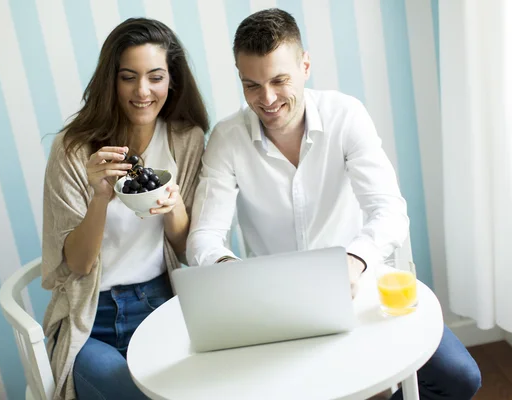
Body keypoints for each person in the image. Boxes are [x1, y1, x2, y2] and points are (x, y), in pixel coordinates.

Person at [186, 8, 481, 400]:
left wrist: (354, 260)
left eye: (279, 80)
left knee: (460, 378)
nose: (267, 98)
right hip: (276, 309)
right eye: (252, 85)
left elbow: (390, 211)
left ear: (305, 65)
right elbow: (203, 238)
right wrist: (233, 274)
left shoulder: (346, 115)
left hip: (362, 287)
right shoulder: (227, 138)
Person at [41, 18, 208, 400]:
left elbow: (185, 249)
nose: (143, 91)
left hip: (161, 303)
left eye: (155, 77)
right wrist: (99, 197)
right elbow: (79, 264)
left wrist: (173, 205)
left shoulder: (187, 140)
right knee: (129, 390)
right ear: (111, 81)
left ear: (172, 80)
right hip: (91, 317)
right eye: (128, 77)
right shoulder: (73, 149)